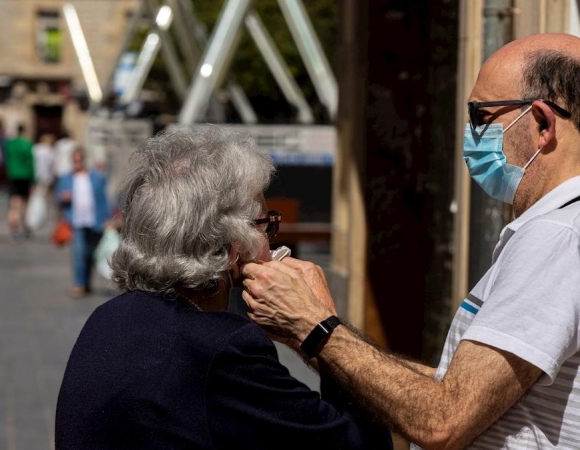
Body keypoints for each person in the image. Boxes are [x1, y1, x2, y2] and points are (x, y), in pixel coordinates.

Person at [241, 34, 580, 449]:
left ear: (543, 123)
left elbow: (443, 419)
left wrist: (314, 326)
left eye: (481, 116)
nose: (470, 134)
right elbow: (458, 391)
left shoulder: (564, 236)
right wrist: (316, 334)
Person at [55, 128, 391, 449]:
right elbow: (360, 442)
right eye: (265, 224)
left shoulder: (107, 318)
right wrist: (321, 327)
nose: (272, 240)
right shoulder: (222, 350)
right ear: (233, 248)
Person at [55, 148, 110, 298]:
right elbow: (57, 199)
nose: (77, 163)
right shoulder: (66, 178)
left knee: (90, 254)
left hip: (95, 221)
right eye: (75, 160)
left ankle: (86, 282)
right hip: (76, 221)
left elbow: (103, 199)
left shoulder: (96, 177)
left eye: (79, 160)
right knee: (78, 253)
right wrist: (63, 198)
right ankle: (79, 284)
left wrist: (108, 218)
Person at [4, 124, 35, 239]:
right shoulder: (27, 144)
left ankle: (14, 228)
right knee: (25, 204)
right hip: (25, 176)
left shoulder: (10, 144)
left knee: (13, 204)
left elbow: (5, 160)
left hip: (13, 175)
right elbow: (31, 163)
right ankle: (24, 225)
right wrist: (33, 178)